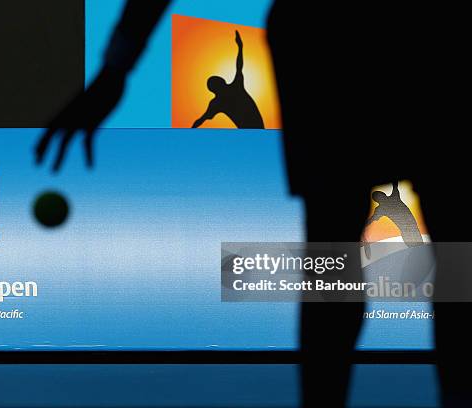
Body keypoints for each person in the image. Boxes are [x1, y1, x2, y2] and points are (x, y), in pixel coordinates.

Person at [36, 1, 471, 406]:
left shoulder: (240, 81)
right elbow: (211, 108)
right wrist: (115, 69)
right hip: (373, 30)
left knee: (349, 243)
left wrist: (116, 69)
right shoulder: (225, 95)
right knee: (395, 252)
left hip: (345, 32)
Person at [192, 30, 264, 129]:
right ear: (219, 84)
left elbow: (239, 65)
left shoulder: (219, 100)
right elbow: (201, 120)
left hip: (255, 129)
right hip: (254, 130)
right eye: (218, 80)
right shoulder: (231, 90)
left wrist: (240, 47)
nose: (222, 79)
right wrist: (240, 47)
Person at [366, 181, 423, 246]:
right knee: (415, 246)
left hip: (411, 227)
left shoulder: (393, 197)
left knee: (418, 245)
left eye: (379, 196)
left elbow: (395, 185)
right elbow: (372, 219)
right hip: (407, 229)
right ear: (378, 201)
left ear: (383, 194)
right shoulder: (381, 208)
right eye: (378, 198)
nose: (380, 198)